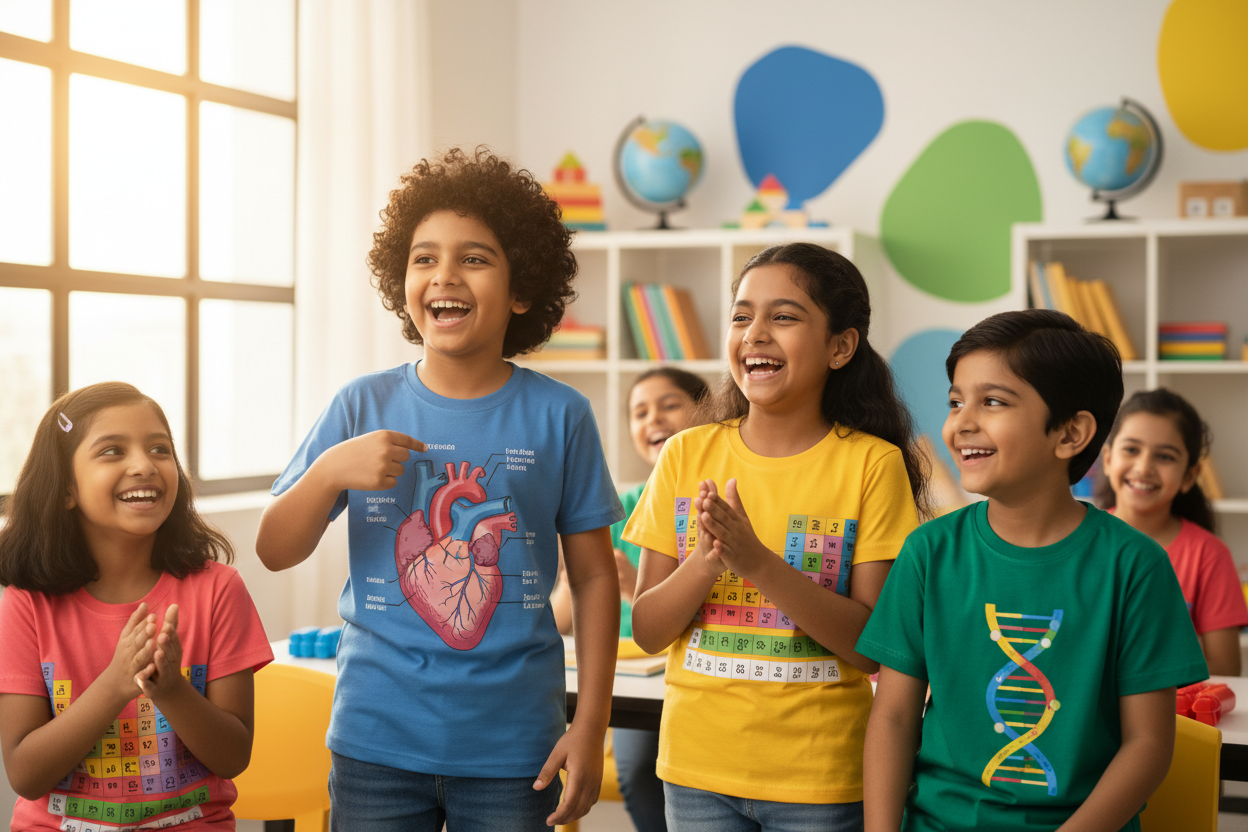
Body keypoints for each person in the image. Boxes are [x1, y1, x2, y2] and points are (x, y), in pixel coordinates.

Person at [255, 147, 624, 831]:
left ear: (521, 290)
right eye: (424, 258)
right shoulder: (360, 405)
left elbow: (596, 578)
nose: (444, 275)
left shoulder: (560, 415)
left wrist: (591, 722)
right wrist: (330, 470)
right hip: (374, 744)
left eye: (474, 258)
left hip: (517, 747)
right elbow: (274, 549)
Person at [858, 310, 1209, 832]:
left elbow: (1149, 745)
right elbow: (893, 718)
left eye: (993, 401)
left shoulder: (1136, 566)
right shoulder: (927, 553)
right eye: (956, 401)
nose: (961, 423)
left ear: (1070, 433)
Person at [625, 243, 929, 831]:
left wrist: (758, 563)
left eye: (783, 316)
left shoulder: (872, 464)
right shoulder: (686, 453)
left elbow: (869, 646)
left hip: (820, 777)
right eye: (741, 316)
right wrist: (707, 562)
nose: (755, 333)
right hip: (696, 770)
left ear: (840, 346)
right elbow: (648, 630)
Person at [0, 382, 273, 831]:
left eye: (160, 449)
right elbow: (26, 775)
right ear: (66, 488)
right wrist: (114, 685)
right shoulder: (27, 602)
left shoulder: (218, 590)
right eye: (112, 451)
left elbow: (232, 758)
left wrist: (171, 690)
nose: (144, 465)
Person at [552, 367, 709, 832]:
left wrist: (628, 587)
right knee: (639, 773)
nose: (653, 419)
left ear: (707, 413)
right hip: (632, 679)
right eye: (639, 413)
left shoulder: (717, 502)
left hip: (694, 676)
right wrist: (573, 580)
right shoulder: (619, 511)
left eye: (669, 405)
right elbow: (561, 620)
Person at [1098, 388, 1248, 676]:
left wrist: (1134, 675)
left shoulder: (1209, 555)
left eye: (1165, 457)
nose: (1144, 467)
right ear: (1107, 459)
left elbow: (1226, 668)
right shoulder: (1078, 540)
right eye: (1131, 450)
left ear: (1189, 476)